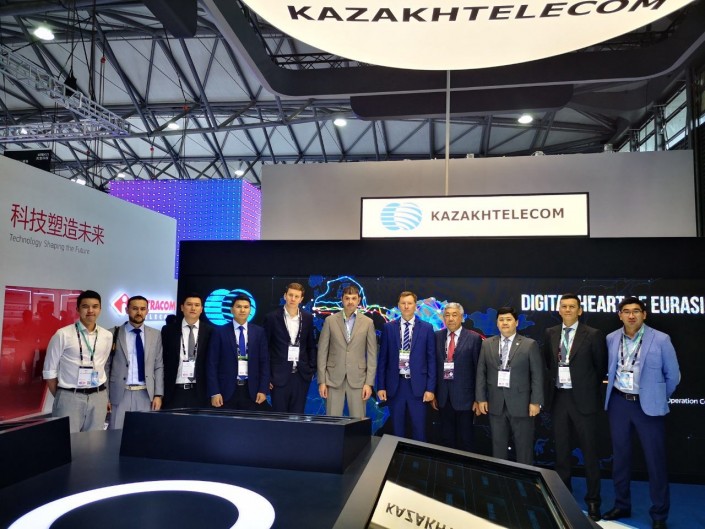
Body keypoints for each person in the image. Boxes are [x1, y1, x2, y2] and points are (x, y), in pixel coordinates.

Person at [602, 297, 680, 529]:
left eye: (636, 311)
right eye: (626, 311)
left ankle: (659, 515)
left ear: (644, 314)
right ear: (620, 315)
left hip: (648, 407)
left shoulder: (661, 339)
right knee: (620, 458)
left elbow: (673, 375)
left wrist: (656, 396)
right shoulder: (611, 338)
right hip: (619, 403)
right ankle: (622, 504)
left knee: (655, 461)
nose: (631, 315)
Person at [543, 293, 607, 521]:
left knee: (589, 452)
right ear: (559, 310)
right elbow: (548, 364)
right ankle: (564, 496)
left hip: (584, 400)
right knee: (561, 451)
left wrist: (585, 388)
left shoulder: (593, 334)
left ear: (580, 310)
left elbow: (600, 368)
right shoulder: (550, 333)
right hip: (559, 398)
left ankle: (593, 500)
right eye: (564, 306)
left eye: (572, 306)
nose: (568, 309)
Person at [476, 306, 543, 465]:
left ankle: (525, 478)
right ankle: (500, 479)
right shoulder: (487, 344)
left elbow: (537, 375)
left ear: (516, 322)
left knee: (524, 448)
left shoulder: (529, 344)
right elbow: (481, 372)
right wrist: (481, 398)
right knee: (498, 447)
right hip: (496, 403)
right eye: (501, 320)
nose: (505, 323)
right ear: (497, 323)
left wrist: (536, 401)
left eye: (508, 319)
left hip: (522, 404)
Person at [42, 290, 112, 433]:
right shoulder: (63, 334)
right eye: (85, 306)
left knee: (94, 441)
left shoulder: (107, 335)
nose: (90, 310)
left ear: (100, 309)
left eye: (95, 306)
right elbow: (49, 371)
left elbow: (102, 364)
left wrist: (103, 398)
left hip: (98, 396)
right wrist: (63, 396)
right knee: (67, 440)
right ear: (77, 309)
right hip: (70, 396)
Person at [377, 291, 436, 441]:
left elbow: (431, 360)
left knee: (419, 431)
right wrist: (381, 386)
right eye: (403, 303)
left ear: (415, 306)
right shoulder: (388, 328)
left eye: (409, 303)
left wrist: (430, 389)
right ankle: (398, 456)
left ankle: (419, 456)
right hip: (395, 387)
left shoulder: (427, 328)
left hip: (418, 387)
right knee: (397, 431)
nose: (406, 306)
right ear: (398, 305)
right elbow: (383, 360)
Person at [317, 285, 377, 418]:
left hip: (358, 379)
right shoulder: (330, 321)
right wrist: (322, 381)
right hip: (333, 378)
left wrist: (369, 383)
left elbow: (372, 355)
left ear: (359, 300)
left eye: (354, 298)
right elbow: (322, 352)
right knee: (332, 422)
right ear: (342, 299)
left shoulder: (368, 323)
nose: (350, 302)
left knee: (358, 421)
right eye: (347, 298)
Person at [106, 295, 164, 429]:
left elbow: (158, 366)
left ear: (147, 311)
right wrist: (106, 397)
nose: (139, 312)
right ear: (127, 310)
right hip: (119, 393)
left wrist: (158, 394)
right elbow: (106, 367)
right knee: (116, 433)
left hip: (146, 394)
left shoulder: (155, 335)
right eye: (135, 308)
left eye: (143, 309)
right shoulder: (112, 333)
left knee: (143, 434)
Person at [432, 302, 482, 452]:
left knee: (466, 440)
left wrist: (478, 399)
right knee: (446, 440)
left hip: (466, 399)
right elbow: (433, 367)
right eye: (447, 315)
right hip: (443, 397)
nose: (450, 318)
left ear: (462, 317)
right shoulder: (437, 336)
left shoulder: (473, 338)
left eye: (454, 315)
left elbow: (479, 370)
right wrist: (433, 393)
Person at [207, 294, 270, 410]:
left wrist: (263, 389)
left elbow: (264, 362)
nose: (242, 310)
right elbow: (212, 363)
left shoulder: (259, 332)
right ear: (231, 310)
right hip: (225, 392)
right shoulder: (219, 332)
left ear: (250, 310)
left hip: (252, 391)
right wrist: (214, 392)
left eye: (246, 307)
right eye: (238, 306)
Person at [264, 283, 316, 413]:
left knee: (297, 417)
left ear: (301, 299)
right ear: (285, 296)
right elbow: (265, 349)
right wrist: (267, 376)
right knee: (280, 417)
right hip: (278, 376)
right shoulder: (272, 318)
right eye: (290, 295)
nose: (293, 299)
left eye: (296, 296)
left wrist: (310, 369)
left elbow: (311, 346)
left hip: (301, 376)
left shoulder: (308, 318)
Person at [161, 293, 212, 409]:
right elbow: (162, 360)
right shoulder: (168, 330)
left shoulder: (210, 332)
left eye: (197, 305)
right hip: (173, 391)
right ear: (182, 307)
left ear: (201, 309)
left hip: (200, 392)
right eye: (189, 304)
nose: (193, 308)